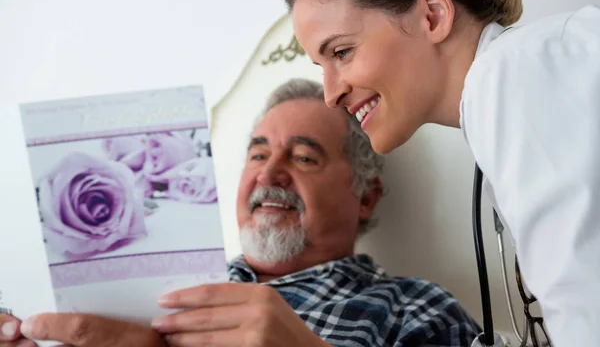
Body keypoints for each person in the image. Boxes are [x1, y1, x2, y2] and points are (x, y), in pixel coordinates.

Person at [0, 79, 481, 347]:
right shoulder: (160, 289)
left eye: (304, 156)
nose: (269, 174)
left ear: (366, 196)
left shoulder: (416, 310)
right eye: (257, 154)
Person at [285, 0, 600, 346]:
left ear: (433, 13)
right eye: (321, 66)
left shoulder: (515, 76)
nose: (331, 94)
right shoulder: (518, 77)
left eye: (342, 52)